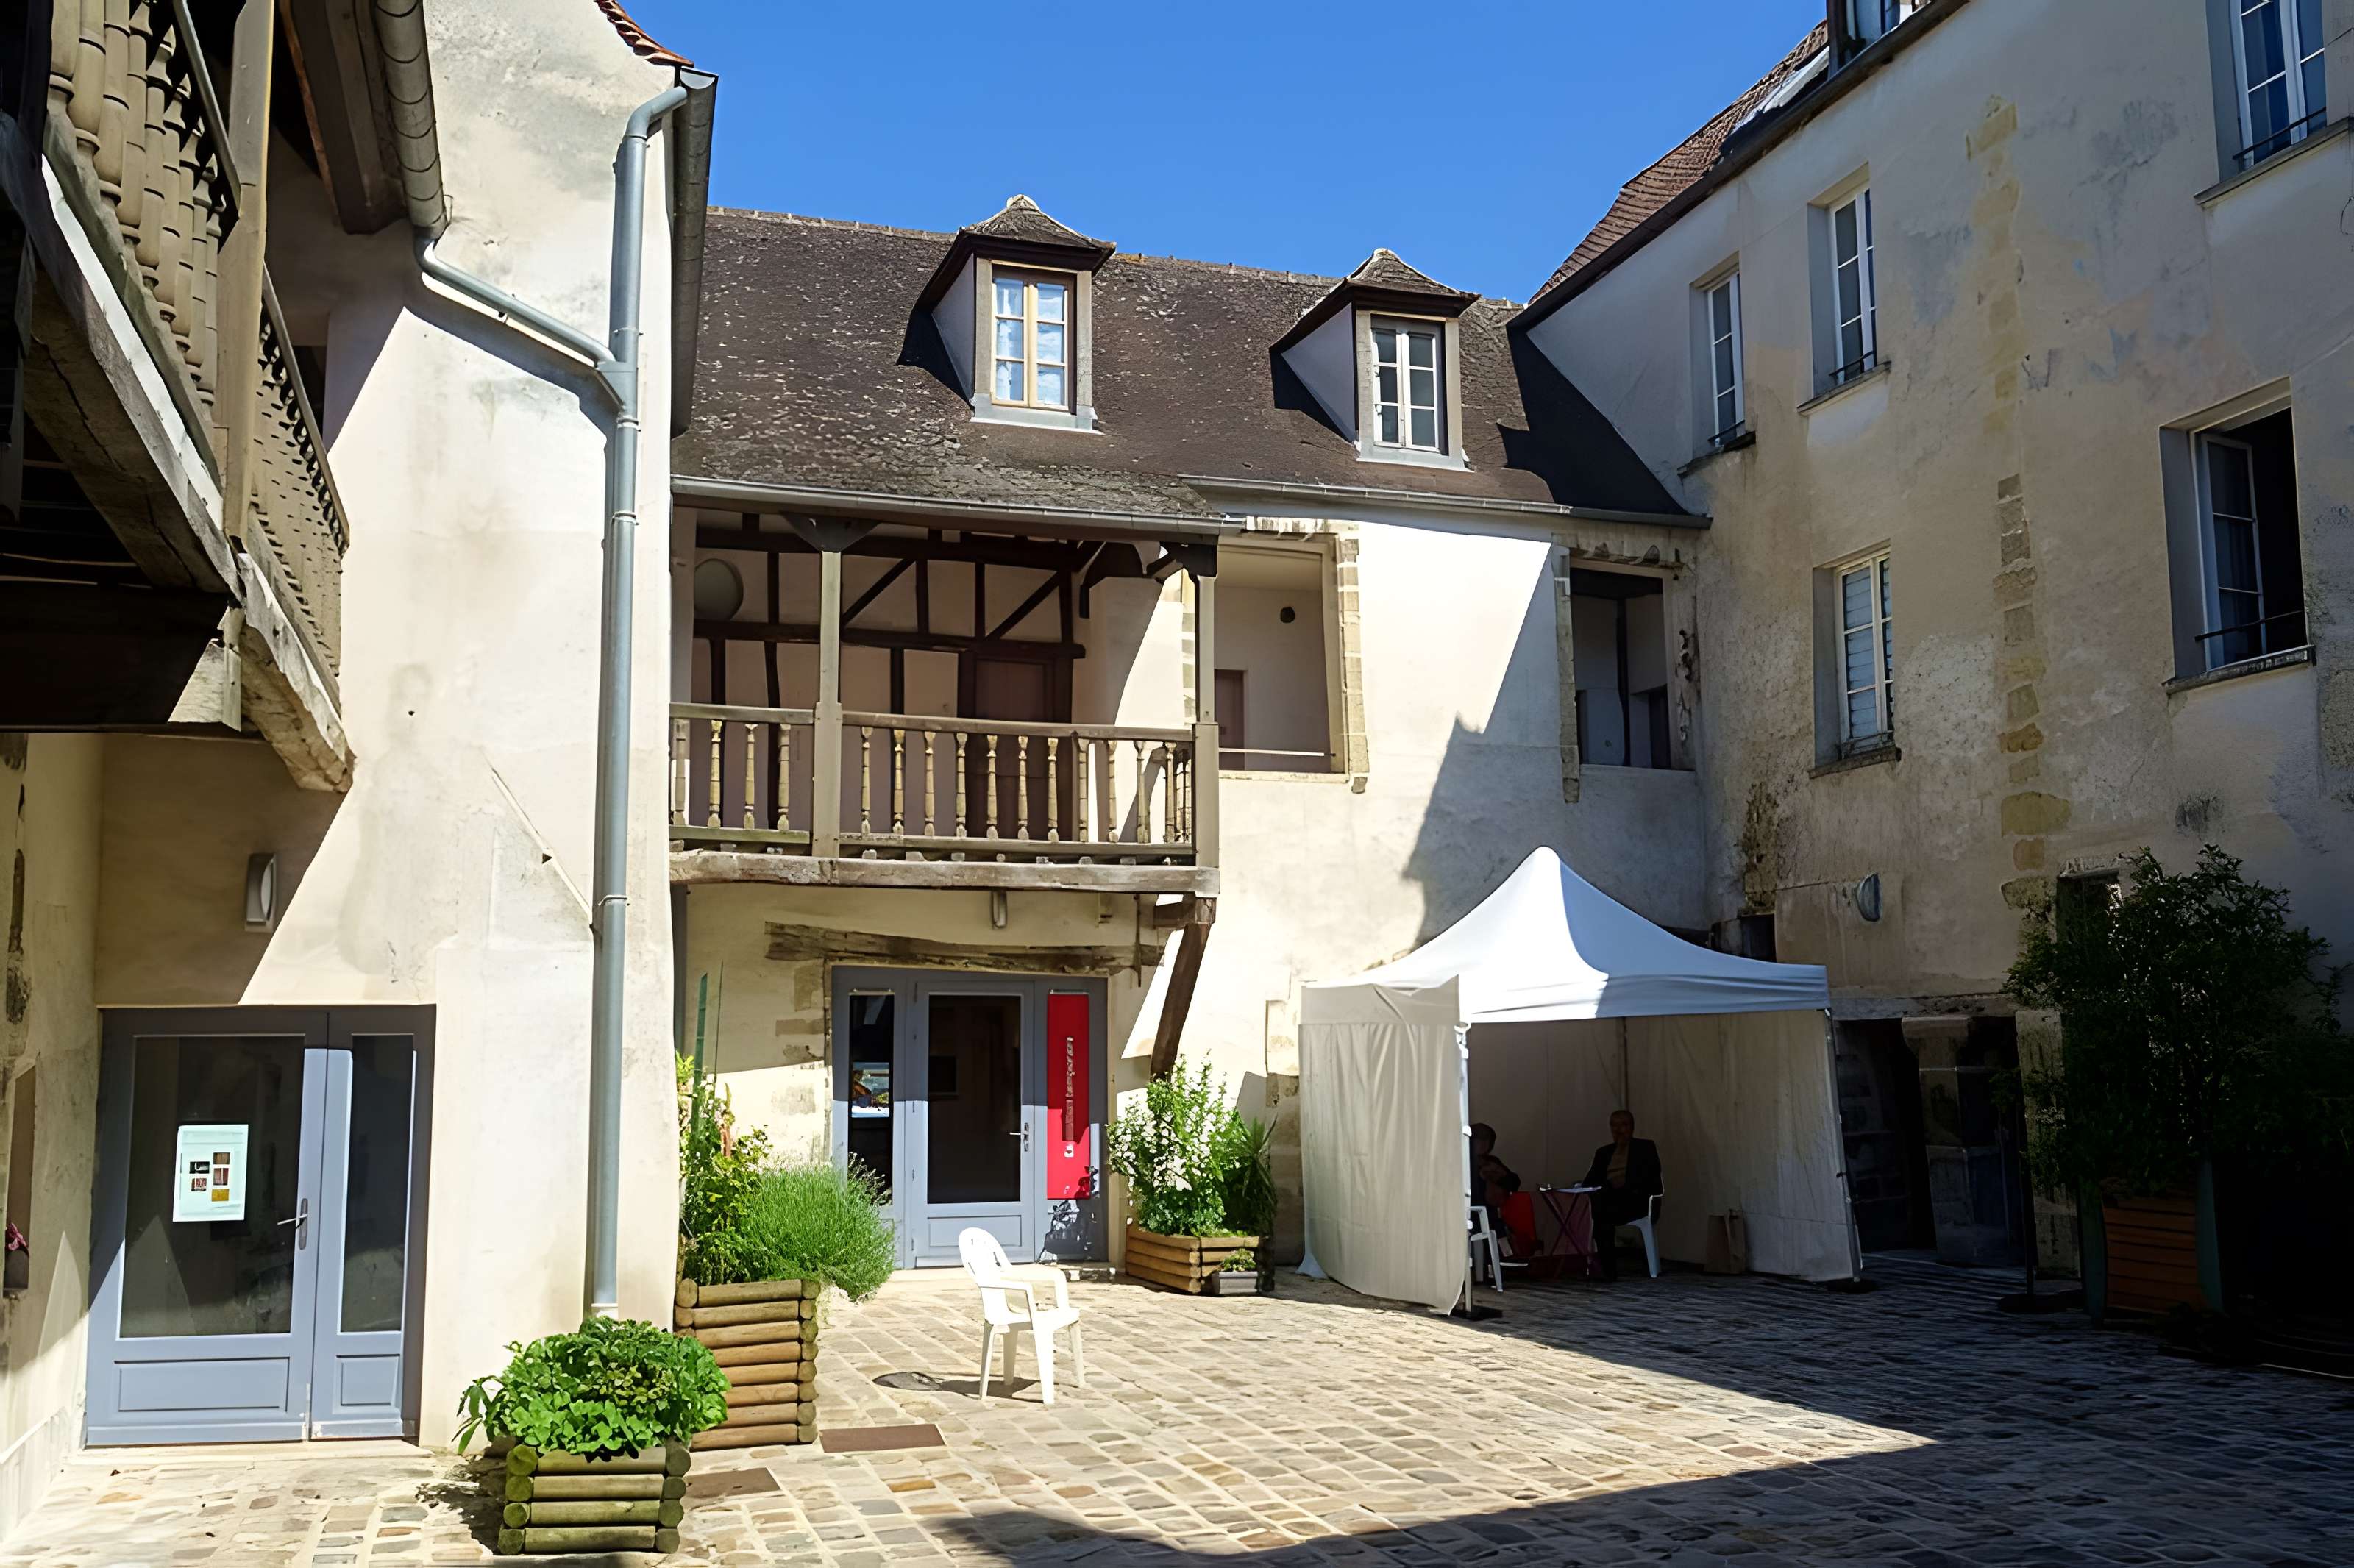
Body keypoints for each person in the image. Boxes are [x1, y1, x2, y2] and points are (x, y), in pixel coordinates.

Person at [1579, 1109, 1661, 1280]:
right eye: (1614, 1125)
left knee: (1601, 1212)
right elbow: (1590, 1182)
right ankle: (1608, 1271)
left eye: (1623, 1125)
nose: (1619, 1130)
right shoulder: (1603, 1153)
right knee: (1601, 1213)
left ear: (1632, 1127)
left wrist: (1626, 1185)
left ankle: (1606, 1270)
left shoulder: (1645, 1148)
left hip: (1637, 1200)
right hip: (1610, 1201)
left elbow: (1652, 1179)